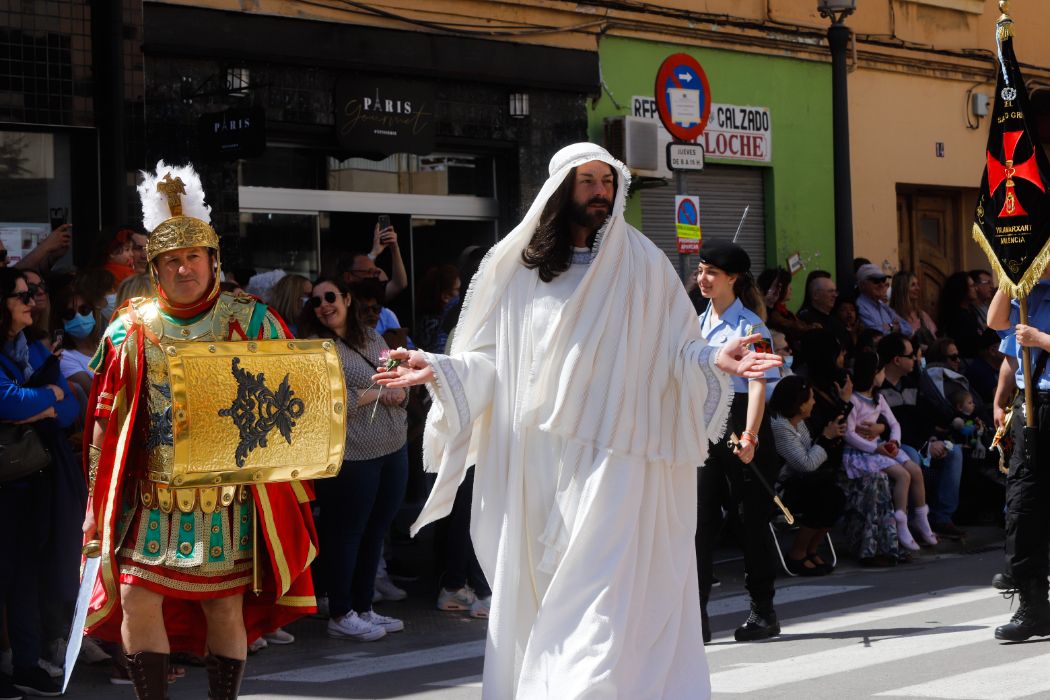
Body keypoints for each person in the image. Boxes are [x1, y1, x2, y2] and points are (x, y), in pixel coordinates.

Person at [372, 143, 780, 698]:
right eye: (588, 181)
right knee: (548, 590)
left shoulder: (643, 263)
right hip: (539, 461)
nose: (600, 193)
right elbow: (493, 362)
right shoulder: (520, 269)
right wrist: (438, 368)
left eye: (608, 182)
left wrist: (716, 357)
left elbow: (677, 349)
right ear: (562, 187)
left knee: (602, 595)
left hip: (617, 455)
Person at [80, 162, 319, 699]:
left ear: (213, 262)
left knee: (223, 605)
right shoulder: (128, 327)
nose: (183, 269)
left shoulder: (253, 321)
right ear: (156, 268)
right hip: (148, 492)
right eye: (171, 261)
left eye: (193, 258)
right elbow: (104, 419)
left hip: (224, 495)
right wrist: (95, 505)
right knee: (139, 598)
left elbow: (296, 399)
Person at [298, 277, 409, 643]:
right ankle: (341, 611)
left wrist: (400, 388)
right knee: (347, 534)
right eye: (316, 301)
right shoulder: (316, 347)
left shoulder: (371, 336)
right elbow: (328, 400)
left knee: (377, 530)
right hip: (353, 454)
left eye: (330, 297)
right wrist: (381, 391)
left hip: (392, 445)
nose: (324, 305)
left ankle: (363, 608)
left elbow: (390, 377)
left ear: (346, 298)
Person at [695, 240, 783, 642]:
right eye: (700, 270)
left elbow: (759, 383)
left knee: (751, 521)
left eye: (712, 272)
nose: (703, 278)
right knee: (698, 522)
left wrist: (749, 435)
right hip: (703, 426)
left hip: (742, 418)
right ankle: (695, 617)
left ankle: (762, 611)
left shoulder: (752, 326)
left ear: (733, 278)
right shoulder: (695, 323)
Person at [0, 268, 81, 698]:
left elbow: (71, 410)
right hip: (6, 484)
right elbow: (7, 401)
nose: (31, 300)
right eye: (20, 295)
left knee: (26, 579)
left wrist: (38, 405)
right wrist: (44, 401)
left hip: (32, 481)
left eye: (31, 293)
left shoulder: (31, 350)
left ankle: (26, 666)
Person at [986, 279, 1050, 640]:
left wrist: (1041, 339)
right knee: (1023, 503)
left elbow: (1028, 342)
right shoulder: (1027, 293)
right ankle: (1034, 607)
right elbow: (998, 328)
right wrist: (1007, 279)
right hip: (1031, 407)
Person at [843, 350, 938, 552]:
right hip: (864, 452)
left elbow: (894, 423)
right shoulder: (854, 401)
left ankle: (922, 518)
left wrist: (894, 441)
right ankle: (901, 522)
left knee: (915, 470)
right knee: (903, 475)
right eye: (880, 372)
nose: (883, 376)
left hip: (882, 447)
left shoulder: (878, 398)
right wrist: (874, 447)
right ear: (872, 374)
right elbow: (849, 434)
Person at [877, 333, 966, 540]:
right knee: (912, 459)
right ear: (897, 360)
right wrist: (924, 446)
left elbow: (925, 417)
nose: (916, 359)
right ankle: (909, 521)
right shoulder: (879, 389)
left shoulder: (912, 383)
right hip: (896, 445)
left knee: (955, 451)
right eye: (911, 356)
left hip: (923, 442)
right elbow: (892, 428)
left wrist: (933, 439)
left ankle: (942, 517)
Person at [769, 375, 846, 576]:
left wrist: (830, 439)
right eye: (810, 398)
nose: (813, 402)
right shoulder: (780, 426)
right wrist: (826, 438)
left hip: (800, 481)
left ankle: (812, 549)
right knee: (822, 498)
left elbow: (810, 453)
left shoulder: (799, 422)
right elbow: (806, 464)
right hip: (779, 489)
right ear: (799, 404)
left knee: (836, 496)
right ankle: (797, 553)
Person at [855, 263, 913, 336]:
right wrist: (894, 326)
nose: (882, 284)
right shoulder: (860, 306)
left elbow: (908, 329)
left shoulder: (883, 306)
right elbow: (876, 334)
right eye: (876, 281)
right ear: (862, 284)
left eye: (883, 280)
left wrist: (890, 326)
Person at [938, 271, 983, 359]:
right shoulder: (957, 317)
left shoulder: (971, 312)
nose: (976, 289)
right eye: (972, 286)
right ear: (962, 289)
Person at [890, 271, 937, 349]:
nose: (918, 288)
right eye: (913, 285)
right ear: (902, 289)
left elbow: (935, 340)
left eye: (918, 284)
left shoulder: (921, 315)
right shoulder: (891, 315)